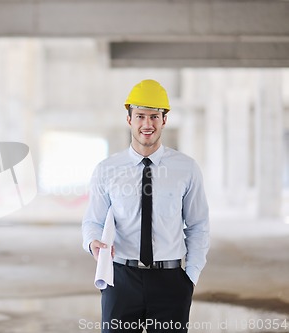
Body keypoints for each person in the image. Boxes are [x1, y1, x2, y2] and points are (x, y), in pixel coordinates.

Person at [82, 79, 209, 333]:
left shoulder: (187, 169)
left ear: (165, 119)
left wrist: (189, 278)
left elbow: (198, 226)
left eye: (154, 116)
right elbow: (92, 222)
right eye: (140, 116)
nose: (147, 124)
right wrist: (92, 241)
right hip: (120, 280)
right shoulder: (107, 170)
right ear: (129, 119)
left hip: (171, 281)